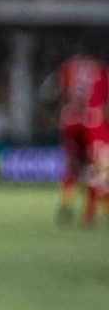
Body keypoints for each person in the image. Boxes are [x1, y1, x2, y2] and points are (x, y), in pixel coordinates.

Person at [46, 51, 108, 225]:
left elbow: (53, 93)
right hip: (93, 120)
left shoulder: (68, 67)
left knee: (72, 164)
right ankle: (91, 211)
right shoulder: (101, 69)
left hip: (70, 119)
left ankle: (66, 201)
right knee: (97, 166)